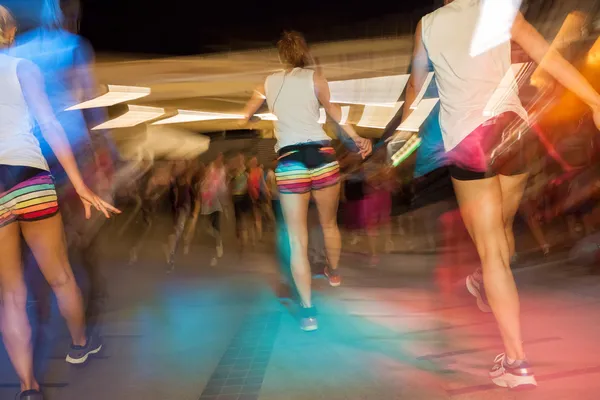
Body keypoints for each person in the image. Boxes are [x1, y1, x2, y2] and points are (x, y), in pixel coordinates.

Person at [402, 0, 600, 389]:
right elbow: (544, 53)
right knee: (501, 228)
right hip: (513, 135)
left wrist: (406, 136)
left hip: (469, 141)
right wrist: (594, 99)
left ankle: (516, 362)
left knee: (492, 250)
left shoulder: (426, 25)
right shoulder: (496, 10)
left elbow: (415, 86)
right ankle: (484, 279)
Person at [0, 7, 120, 400]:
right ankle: (81, 342)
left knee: (12, 295)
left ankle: (27, 388)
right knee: (61, 275)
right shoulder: (22, 67)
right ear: (10, 33)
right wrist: (81, 185)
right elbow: (49, 124)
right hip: (30, 175)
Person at [241, 31, 371, 331]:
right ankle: (334, 272)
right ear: (305, 54)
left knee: (297, 240)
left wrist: (259, 118)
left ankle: (309, 313)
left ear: (281, 57)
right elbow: (334, 112)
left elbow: (243, 117)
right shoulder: (316, 79)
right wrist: (356, 138)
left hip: (290, 161)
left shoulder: (267, 83)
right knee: (328, 225)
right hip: (323, 156)